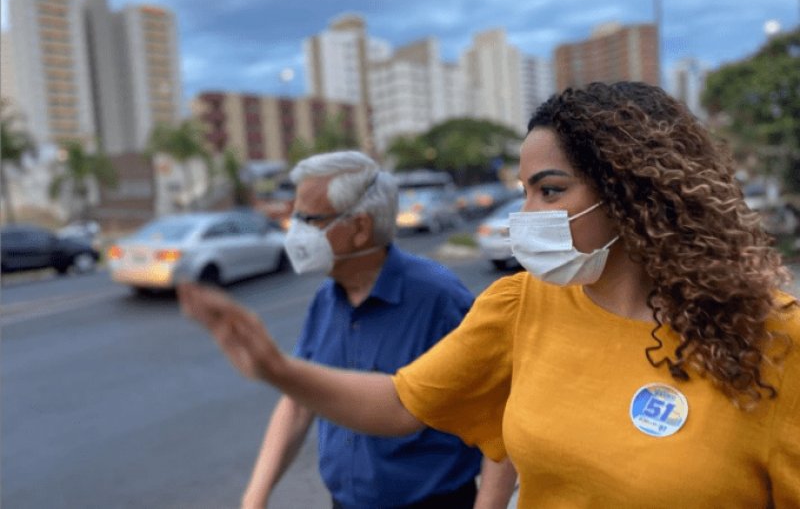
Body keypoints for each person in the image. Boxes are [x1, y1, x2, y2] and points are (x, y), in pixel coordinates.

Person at [180, 82, 799, 508]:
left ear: (634, 195)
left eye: (550, 191)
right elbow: (400, 404)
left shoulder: (776, 343)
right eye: (523, 189)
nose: (523, 215)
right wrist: (275, 368)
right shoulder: (520, 304)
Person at [226, 151, 515, 509]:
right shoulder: (326, 300)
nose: (293, 229)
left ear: (360, 228)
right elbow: (300, 402)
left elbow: (500, 417)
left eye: (308, 218)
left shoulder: (438, 298)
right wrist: (256, 496)